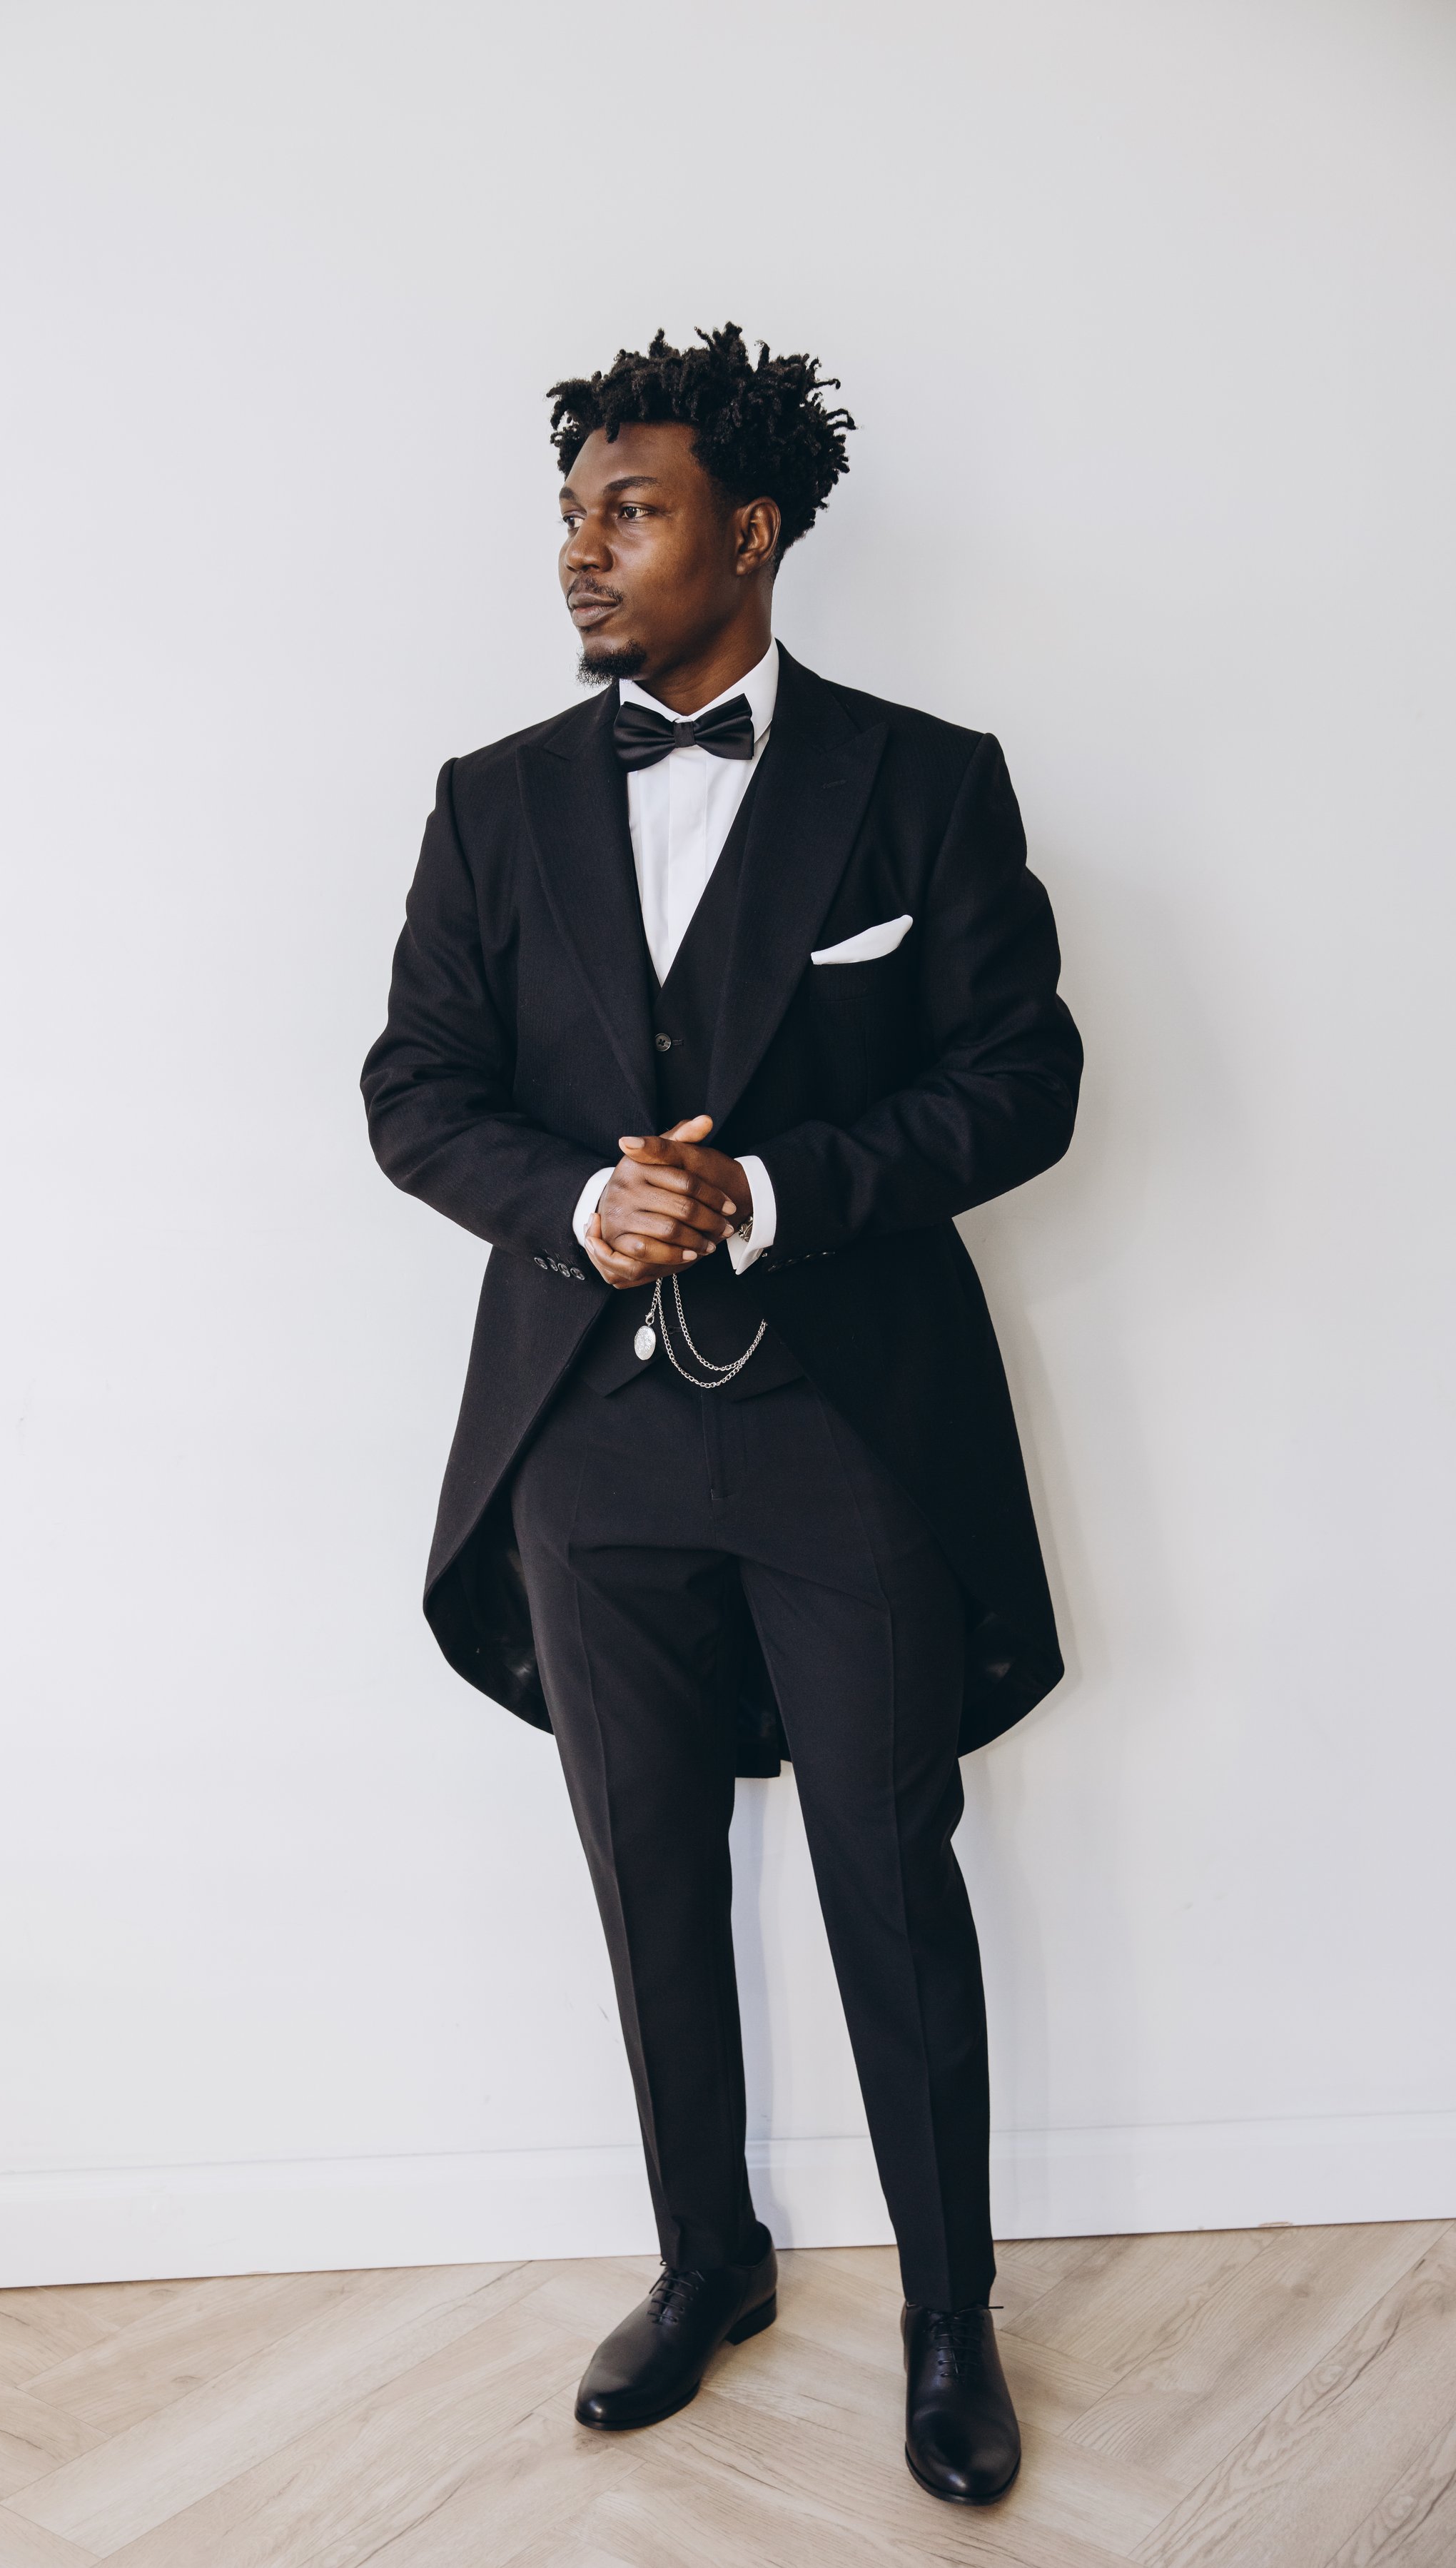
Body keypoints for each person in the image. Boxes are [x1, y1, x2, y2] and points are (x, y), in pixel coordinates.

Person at [361, 324, 1081, 2507]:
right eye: (573, 512)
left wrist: (770, 1190)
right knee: (646, 1865)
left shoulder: (927, 782)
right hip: (582, 1444)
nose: (581, 551)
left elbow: (1023, 1083)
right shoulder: (492, 802)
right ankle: (710, 2265)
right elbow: (415, 1092)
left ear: (749, 533)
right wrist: (585, 1204)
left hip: (847, 1435)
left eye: (632, 510)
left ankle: (948, 2319)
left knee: (888, 1868)